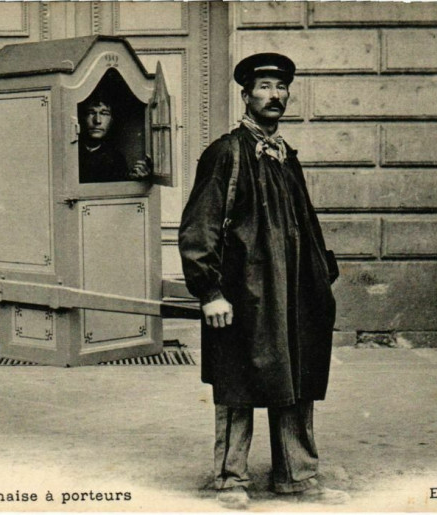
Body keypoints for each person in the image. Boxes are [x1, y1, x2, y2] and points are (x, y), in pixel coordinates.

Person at [178, 53, 348, 508]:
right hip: (244, 292)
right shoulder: (227, 153)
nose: (274, 96)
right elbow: (200, 226)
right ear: (246, 95)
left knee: (296, 377)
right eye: (264, 87)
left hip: (292, 290)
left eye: (281, 88)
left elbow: (305, 223)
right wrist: (210, 291)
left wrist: (320, 278)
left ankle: (297, 475)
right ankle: (230, 478)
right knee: (238, 382)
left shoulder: (285, 155)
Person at [78, 95, 150, 183]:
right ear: (81, 118)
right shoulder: (71, 154)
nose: (97, 120)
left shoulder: (116, 158)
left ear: (111, 121)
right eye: (91, 112)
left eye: (104, 113)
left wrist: (134, 178)